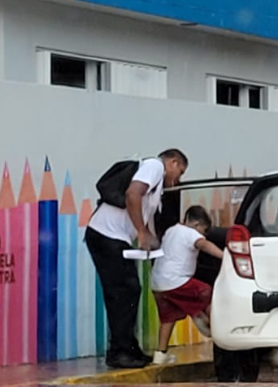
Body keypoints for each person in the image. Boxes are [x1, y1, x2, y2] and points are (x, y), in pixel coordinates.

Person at [85, 149, 189, 368]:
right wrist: (141, 232)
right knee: (124, 291)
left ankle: (129, 349)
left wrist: (155, 244)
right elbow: (133, 194)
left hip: (114, 238)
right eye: (179, 172)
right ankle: (119, 352)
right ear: (172, 162)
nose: (177, 179)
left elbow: (147, 219)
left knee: (128, 290)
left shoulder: (157, 185)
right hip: (106, 235)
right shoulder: (154, 166)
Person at [150, 204, 224, 366]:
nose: (202, 235)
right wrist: (225, 256)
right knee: (207, 293)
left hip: (157, 283)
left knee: (168, 318)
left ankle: (160, 354)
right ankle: (213, 328)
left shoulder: (171, 231)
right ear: (197, 224)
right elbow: (203, 245)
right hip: (176, 281)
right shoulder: (190, 233)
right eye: (203, 231)